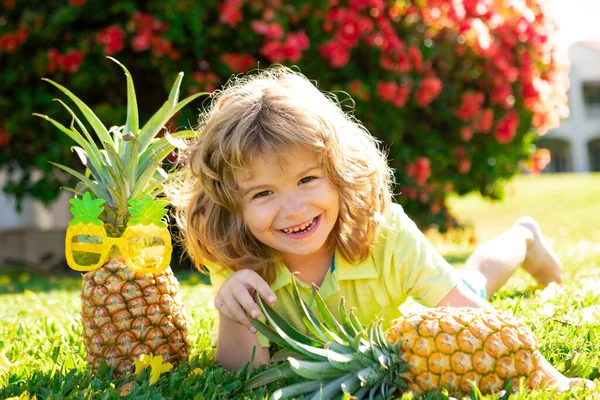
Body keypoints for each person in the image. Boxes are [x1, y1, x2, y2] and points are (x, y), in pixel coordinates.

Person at [170, 66, 588, 392]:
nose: (293, 209)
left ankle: (524, 236)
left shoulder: (385, 233)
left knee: (473, 283)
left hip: (424, 307)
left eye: (307, 180)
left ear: (339, 173)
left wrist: (550, 378)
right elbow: (239, 377)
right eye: (263, 193)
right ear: (232, 206)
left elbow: (472, 315)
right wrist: (235, 315)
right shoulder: (239, 256)